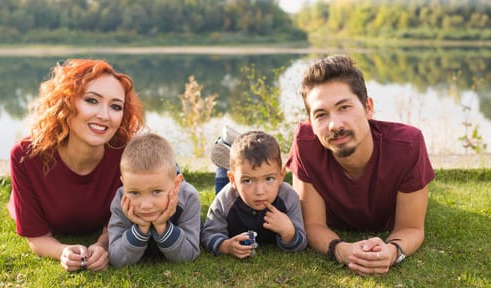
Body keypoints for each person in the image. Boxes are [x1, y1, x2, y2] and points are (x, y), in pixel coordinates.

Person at [286, 54, 435, 276]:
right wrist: (342, 250)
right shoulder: (305, 143)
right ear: (310, 122)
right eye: (321, 114)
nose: (335, 125)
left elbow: (411, 228)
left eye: (344, 107)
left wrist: (392, 252)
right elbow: (313, 225)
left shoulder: (408, 144)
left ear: (368, 107)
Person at [8, 58, 145, 272]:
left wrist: (103, 245)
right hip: (29, 198)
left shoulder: (127, 153)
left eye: (116, 106)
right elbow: (36, 236)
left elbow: (120, 219)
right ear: (66, 102)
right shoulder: (26, 155)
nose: (104, 115)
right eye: (92, 100)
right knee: (15, 206)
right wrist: (62, 251)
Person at [201, 130, 307, 259]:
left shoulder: (289, 197)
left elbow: (302, 241)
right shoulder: (225, 200)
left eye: (269, 179)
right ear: (233, 180)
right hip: (231, 190)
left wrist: (289, 233)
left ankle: (232, 147)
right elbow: (208, 234)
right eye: (248, 181)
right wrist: (226, 245)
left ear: (281, 176)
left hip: (238, 184)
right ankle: (224, 158)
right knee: (222, 183)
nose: (259, 191)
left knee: (244, 167)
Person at [108, 133, 201, 266]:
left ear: (176, 184)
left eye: (156, 191)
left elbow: (188, 254)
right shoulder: (121, 200)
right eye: (134, 192)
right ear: (124, 184)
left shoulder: (189, 198)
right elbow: (116, 258)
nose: (146, 205)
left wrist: (162, 226)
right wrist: (141, 228)